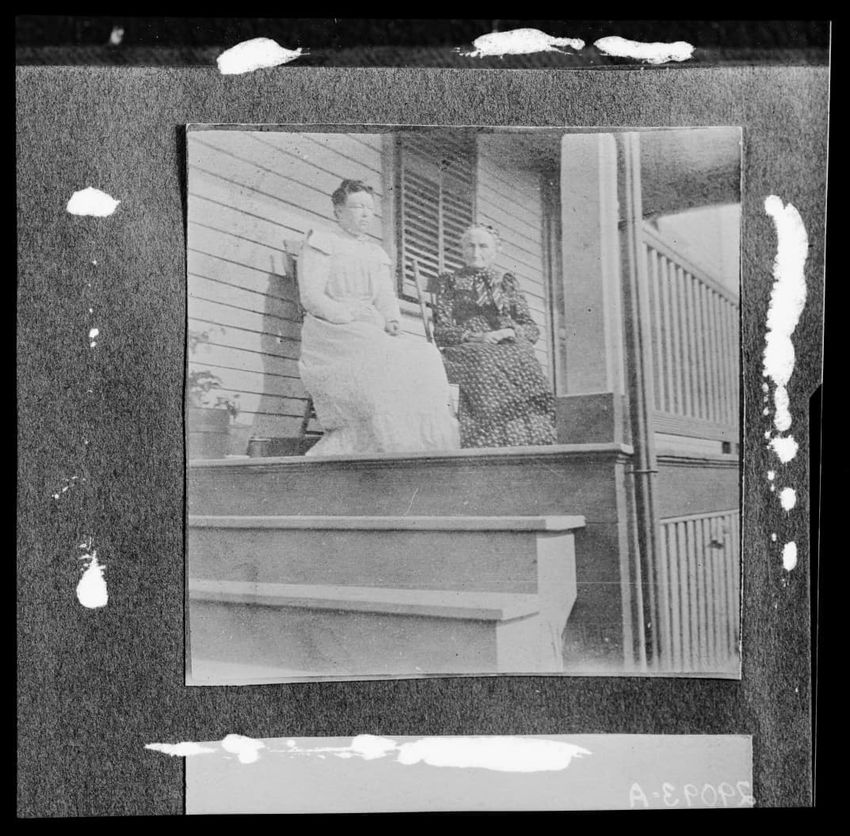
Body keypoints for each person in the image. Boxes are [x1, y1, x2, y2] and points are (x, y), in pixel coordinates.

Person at [297, 179, 459, 456]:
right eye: (357, 207)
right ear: (338, 210)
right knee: (385, 359)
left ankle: (420, 445)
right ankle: (384, 442)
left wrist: (391, 318)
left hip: (369, 327)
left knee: (425, 354)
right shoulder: (323, 242)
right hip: (332, 330)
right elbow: (311, 296)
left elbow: (384, 295)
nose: (365, 214)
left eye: (369, 209)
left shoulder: (374, 252)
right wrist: (346, 314)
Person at [433, 224, 557, 448]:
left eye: (483, 246)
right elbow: (441, 331)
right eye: (470, 246)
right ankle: (491, 440)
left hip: (507, 342)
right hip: (467, 346)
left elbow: (531, 328)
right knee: (485, 359)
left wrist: (510, 331)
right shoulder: (449, 281)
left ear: (496, 250)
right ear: (461, 249)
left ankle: (534, 437)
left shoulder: (507, 282)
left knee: (524, 357)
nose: (475, 252)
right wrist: (477, 336)